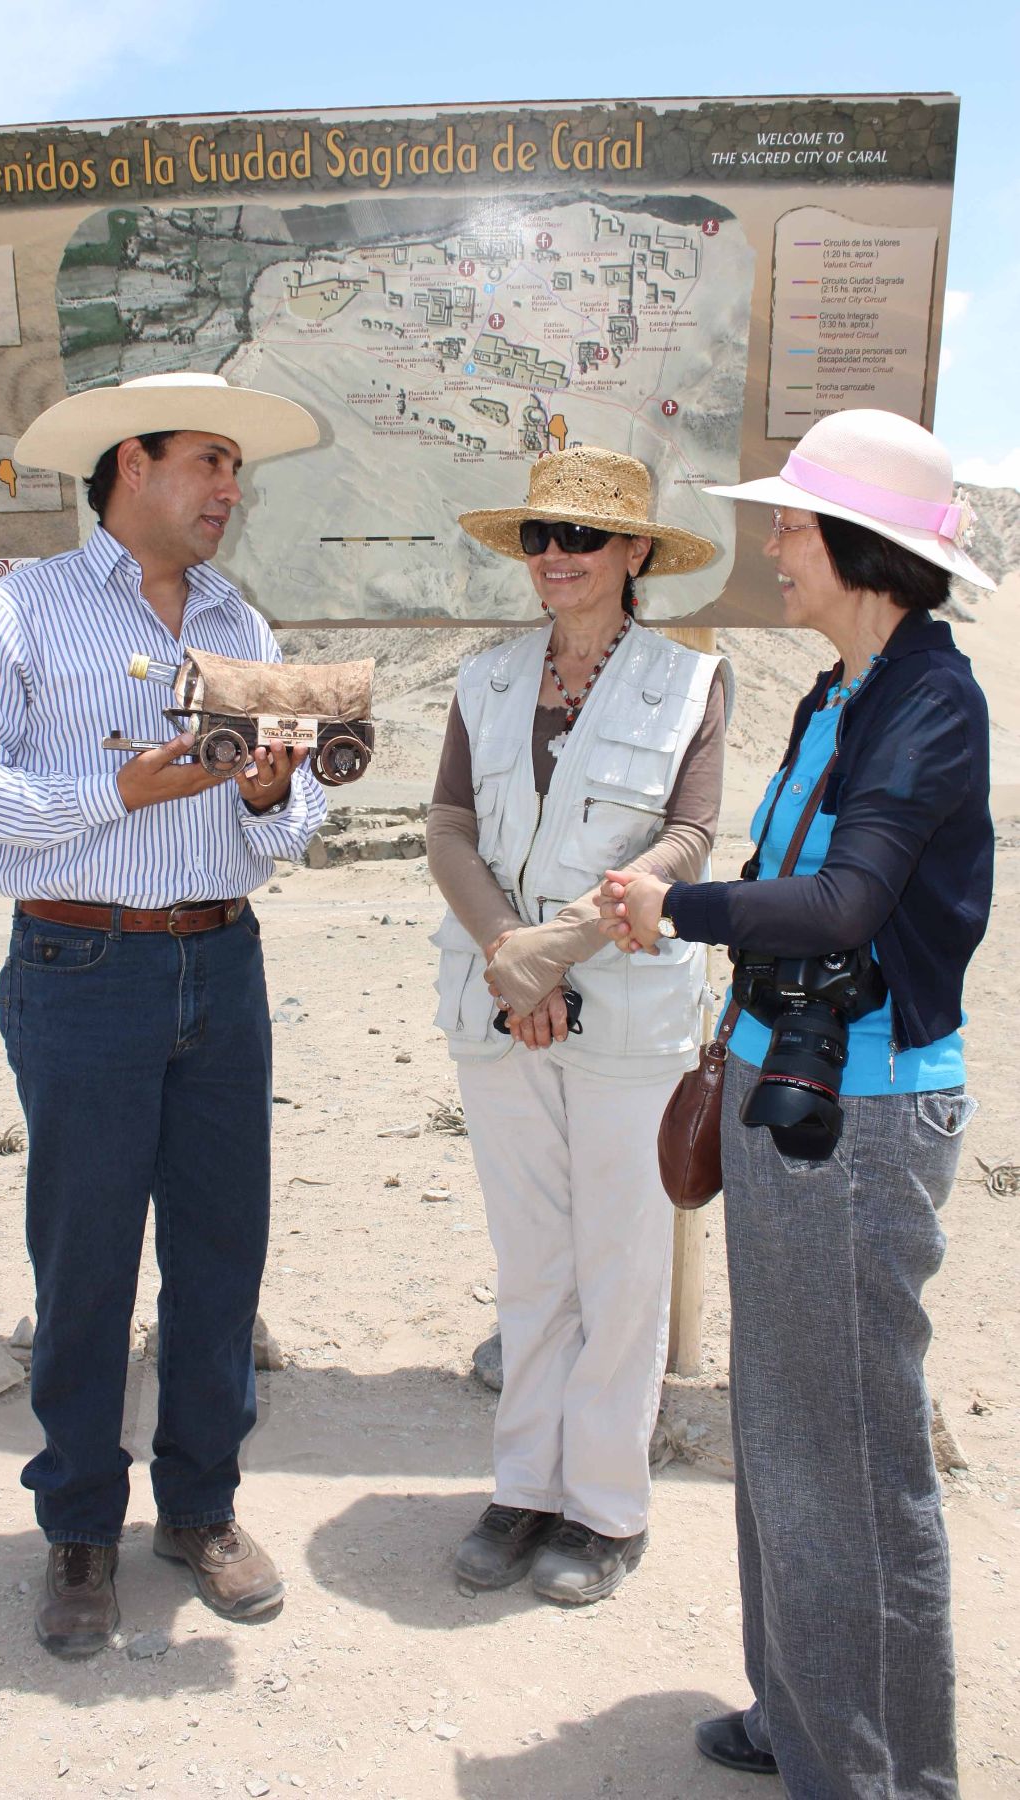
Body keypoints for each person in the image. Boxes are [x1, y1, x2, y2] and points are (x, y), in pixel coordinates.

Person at [598, 409, 994, 1794]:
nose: (773, 541)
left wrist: (672, 905)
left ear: (862, 549)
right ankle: (800, 1717)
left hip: (863, 1118)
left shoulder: (930, 703)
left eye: (791, 521)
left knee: (856, 1468)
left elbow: (844, 901)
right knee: (784, 1434)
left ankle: (882, 1775)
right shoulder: (841, 691)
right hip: (792, 1091)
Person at [0, 371, 327, 1657]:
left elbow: (296, 824)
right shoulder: (17, 612)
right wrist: (120, 796)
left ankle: (199, 1509)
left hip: (225, 962)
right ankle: (80, 1530)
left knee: (221, 1253)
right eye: (208, 461)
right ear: (130, 466)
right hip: (80, 967)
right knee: (85, 1260)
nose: (229, 488)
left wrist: (267, 797)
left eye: (234, 468)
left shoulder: (244, 626)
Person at [427, 445, 731, 1604]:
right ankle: (523, 1490)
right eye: (539, 538)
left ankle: (603, 1509)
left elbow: (685, 840)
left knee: (618, 1263)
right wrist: (510, 959)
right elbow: (449, 825)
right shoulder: (485, 677)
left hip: (626, 1013)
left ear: (635, 555)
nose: (554, 558)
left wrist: (553, 952)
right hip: (496, 1004)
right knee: (531, 1265)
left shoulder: (690, 681)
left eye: (582, 539)